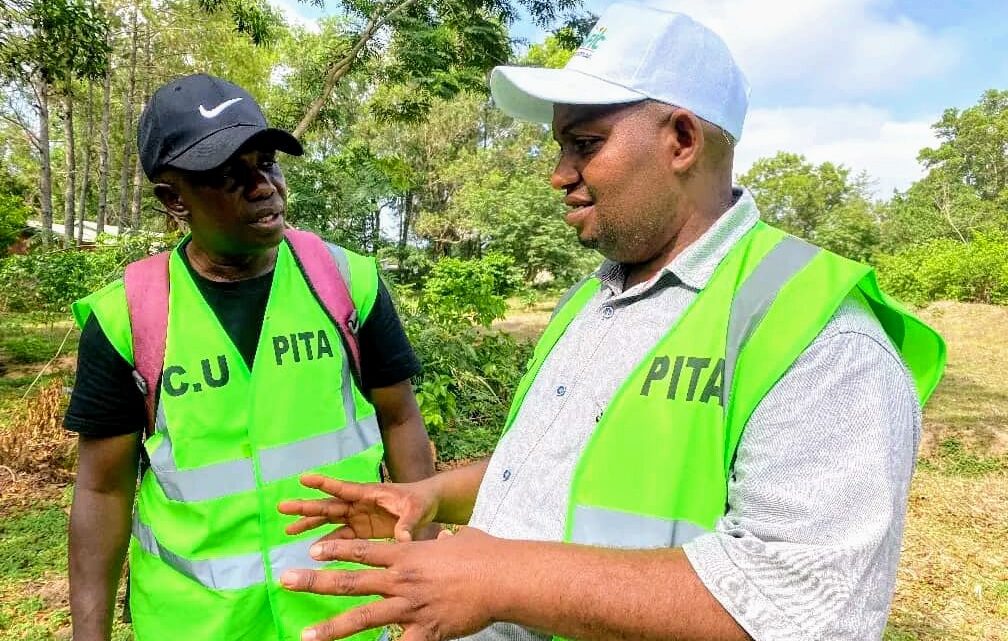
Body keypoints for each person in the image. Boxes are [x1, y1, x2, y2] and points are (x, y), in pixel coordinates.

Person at [276, 5, 946, 641]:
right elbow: (549, 467)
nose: (557, 174)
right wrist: (431, 496)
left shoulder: (819, 332)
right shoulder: (591, 300)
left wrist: (497, 577)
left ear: (682, 139)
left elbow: (804, 605)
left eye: (584, 143)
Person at [65, 73, 436, 641]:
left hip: (344, 612)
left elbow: (400, 418)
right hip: (196, 623)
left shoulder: (345, 282)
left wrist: (426, 570)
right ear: (173, 200)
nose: (263, 186)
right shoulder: (128, 317)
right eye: (227, 175)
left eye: (266, 162)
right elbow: (101, 489)